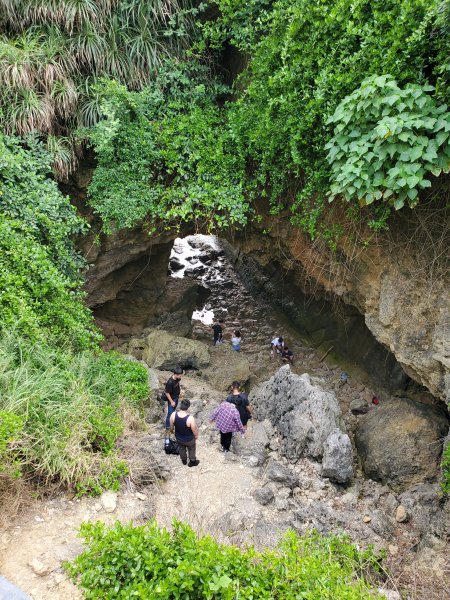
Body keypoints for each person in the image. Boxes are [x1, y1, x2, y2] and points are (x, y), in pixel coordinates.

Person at [169, 399, 199, 467]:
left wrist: (172, 432)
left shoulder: (173, 415)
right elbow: (194, 430)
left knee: (181, 448)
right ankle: (192, 461)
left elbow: (171, 427)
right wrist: (196, 435)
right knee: (191, 449)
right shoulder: (190, 418)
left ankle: (184, 461)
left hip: (179, 438)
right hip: (189, 439)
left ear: (180, 405)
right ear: (188, 407)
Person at [164, 365, 183, 431]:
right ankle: (167, 427)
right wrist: (171, 401)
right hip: (172, 398)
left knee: (173, 411)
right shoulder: (170, 382)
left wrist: (180, 390)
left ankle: (172, 424)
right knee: (170, 413)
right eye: (180, 375)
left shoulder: (178, 378)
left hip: (176, 397)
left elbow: (178, 383)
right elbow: (167, 393)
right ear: (175, 374)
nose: (181, 377)